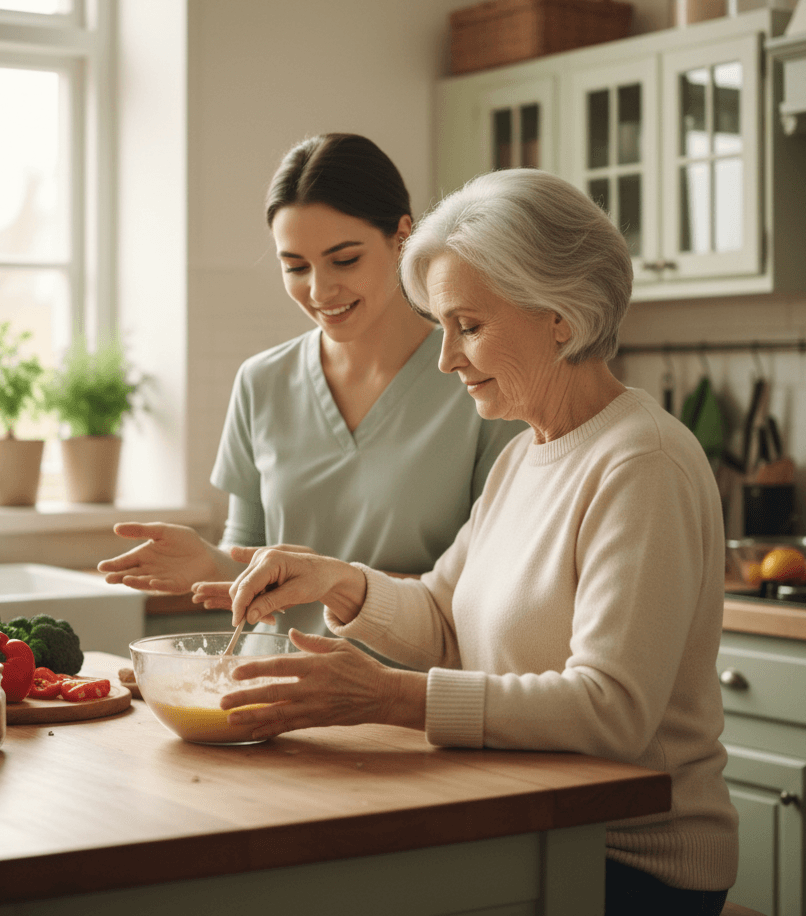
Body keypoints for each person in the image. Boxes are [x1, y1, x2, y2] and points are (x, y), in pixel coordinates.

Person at [194, 168, 739, 915]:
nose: (446, 358)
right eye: (443, 326)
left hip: (627, 864)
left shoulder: (640, 463)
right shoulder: (527, 453)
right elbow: (444, 617)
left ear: (560, 315)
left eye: (469, 326)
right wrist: (337, 581)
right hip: (526, 825)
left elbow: (612, 710)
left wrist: (388, 697)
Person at [100, 133, 524, 636]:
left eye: (344, 260)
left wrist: (328, 582)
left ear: (403, 238)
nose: (320, 291)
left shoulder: (478, 378)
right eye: (295, 267)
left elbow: (493, 583)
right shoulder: (262, 382)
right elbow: (250, 564)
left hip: (406, 698)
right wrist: (213, 564)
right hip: (273, 691)